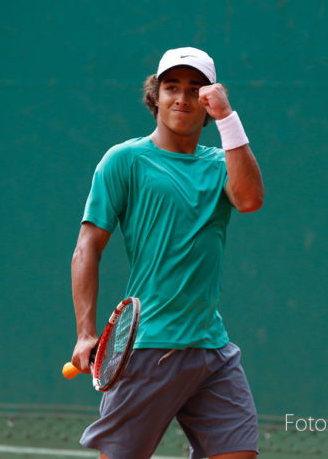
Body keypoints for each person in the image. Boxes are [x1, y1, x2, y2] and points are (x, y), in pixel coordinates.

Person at [70, 47, 264, 459]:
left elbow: (249, 199)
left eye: (195, 90)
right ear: (154, 97)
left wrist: (228, 118)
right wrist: (86, 332)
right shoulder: (124, 160)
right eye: (171, 87)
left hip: (212, 350)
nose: (182, 98)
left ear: (208, 101)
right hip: (147, 349)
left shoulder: (221, 164)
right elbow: (87, 247)